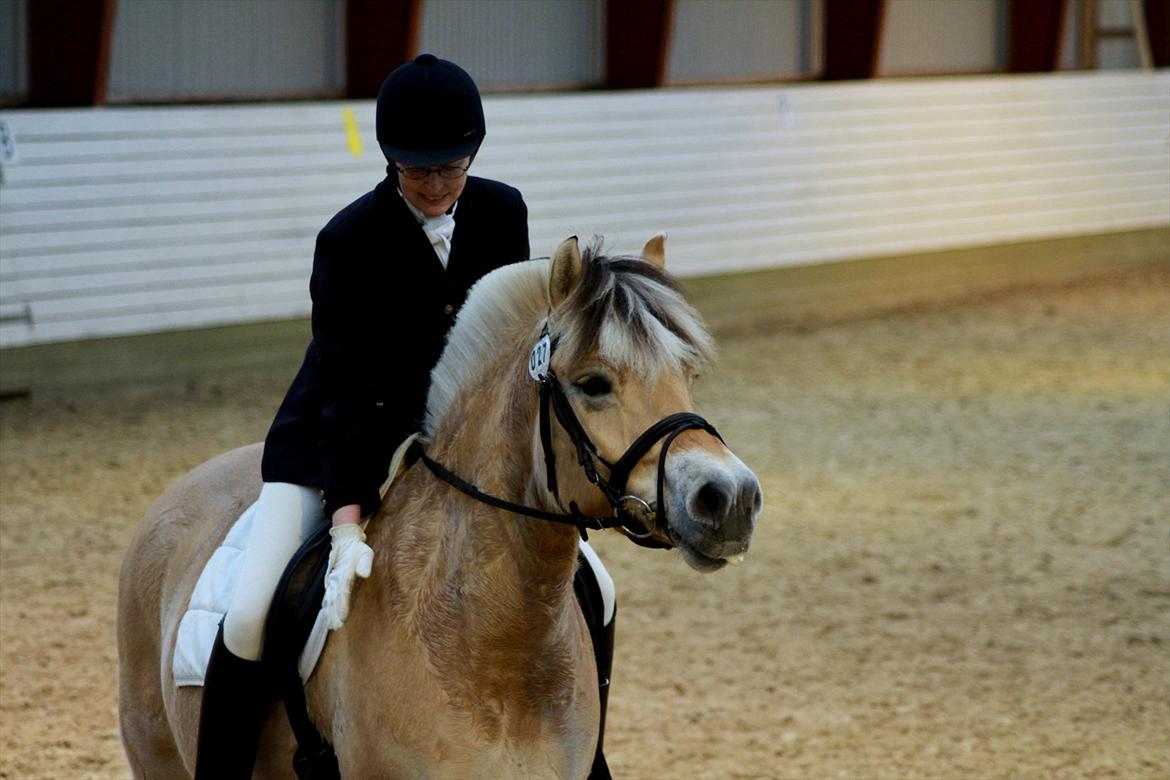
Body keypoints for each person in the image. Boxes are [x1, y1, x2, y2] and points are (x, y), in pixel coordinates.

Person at [194, 54, 615, 779]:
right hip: (337, 438)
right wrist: (349, 511)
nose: (435, 186)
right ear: (390, 161)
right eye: (418, 171)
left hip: (464, 446)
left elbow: (515, 354)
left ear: (472, 155)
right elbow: (345, 385)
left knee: (596, 590)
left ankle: (586, 754)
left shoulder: (502, 211)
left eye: (450, 168)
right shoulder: (348, 239)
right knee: (256, 608)